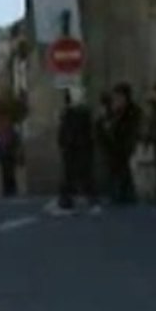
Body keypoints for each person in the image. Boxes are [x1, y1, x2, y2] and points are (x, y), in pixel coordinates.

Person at [48, 87, 100, 215]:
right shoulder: (83, 113)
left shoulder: (70, 113)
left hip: (73, 148)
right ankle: (89, 198)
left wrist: (63, 143)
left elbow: (65, 132)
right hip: (82, 147)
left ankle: (67, 200)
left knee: (71, 174)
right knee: (83, 174)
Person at [105, 83, 141, 205]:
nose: (117, 99)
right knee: (116, 170)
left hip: (125, 144)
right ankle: (118, 194)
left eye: (119, 96)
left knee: (124, 170)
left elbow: (132, 127)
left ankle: (126, 194)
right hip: (113, 145)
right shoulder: (114, 109)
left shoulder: (132, 110)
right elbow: (108, 124)